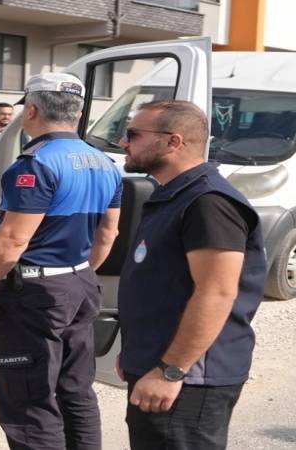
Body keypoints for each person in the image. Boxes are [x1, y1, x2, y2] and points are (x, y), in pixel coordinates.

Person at [0, 72, 122, 450]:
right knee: (76, 390)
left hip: (36, 291)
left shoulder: (35, 164)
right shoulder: (104, 163)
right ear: (78, 114)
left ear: (31, 110)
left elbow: (12, 240)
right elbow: (107, 234)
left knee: (29, 399)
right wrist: (77, 275)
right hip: (80, 282)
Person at [115, 100, 266, 450]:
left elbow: (217, 292)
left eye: (133, 134)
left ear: (173, 142)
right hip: (160, 365)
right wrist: (138, 353)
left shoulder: (208, 201)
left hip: (188, 379)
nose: (123, 143)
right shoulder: (175, 194)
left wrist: (171, 370)